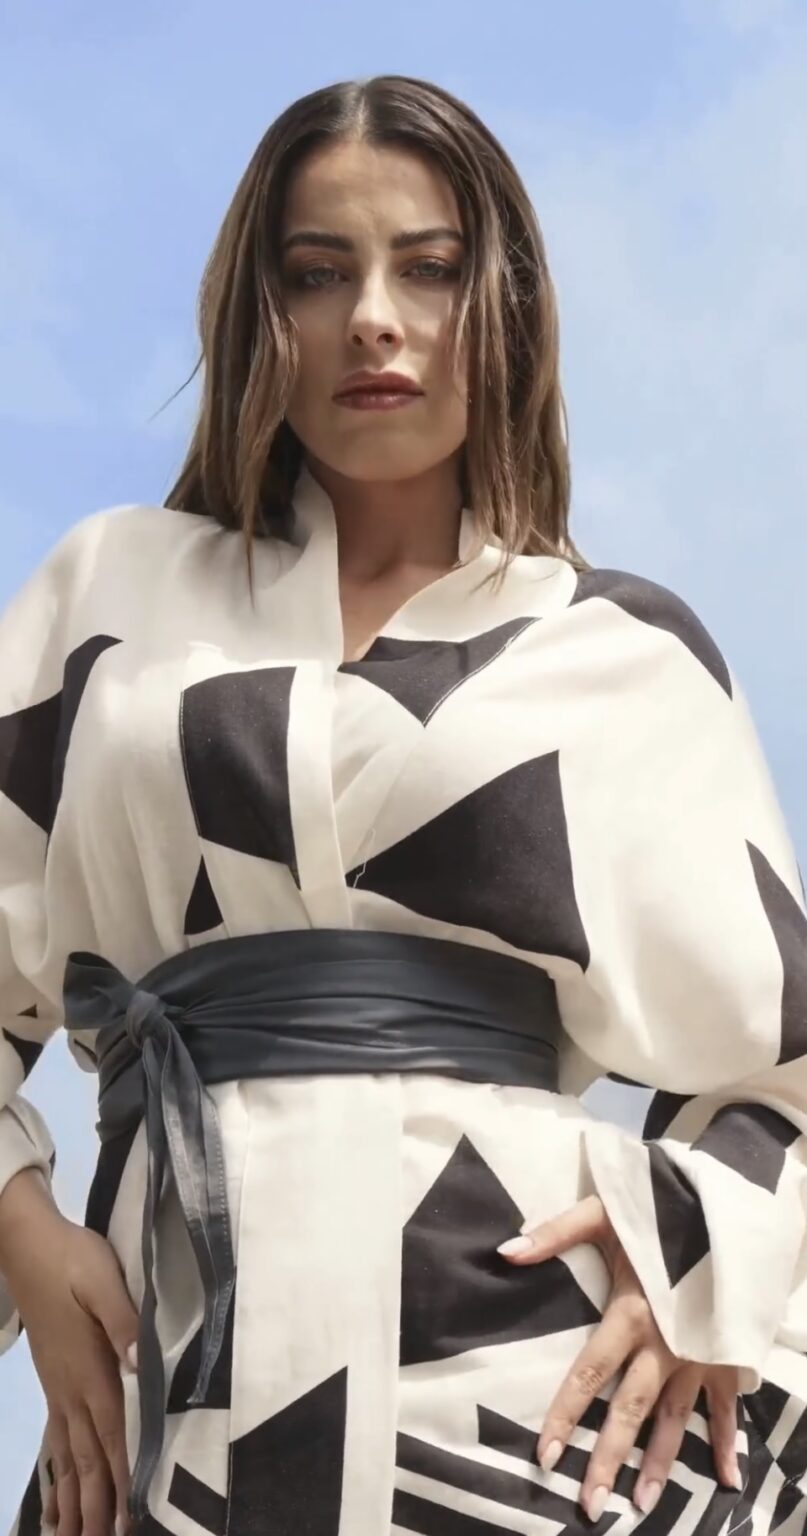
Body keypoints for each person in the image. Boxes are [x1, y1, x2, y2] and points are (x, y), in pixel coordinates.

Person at [0, 73, 805, 1536]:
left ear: (504, 307)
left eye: (427, 269)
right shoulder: (108, 601)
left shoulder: (621, 652)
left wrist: (687, 1252)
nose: (373, 317)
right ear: (259, 313)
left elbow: (784, 1070)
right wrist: (23, 1235)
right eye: (319, 274)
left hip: (523, 1420)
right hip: (168, 1394)